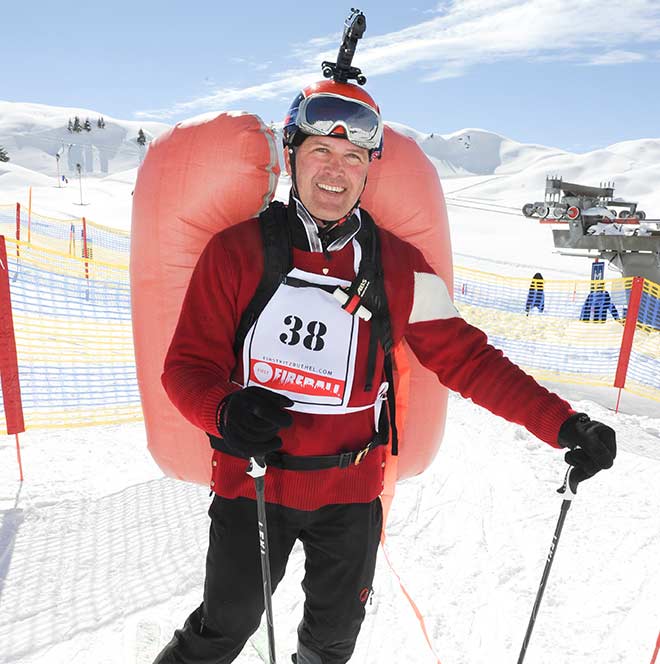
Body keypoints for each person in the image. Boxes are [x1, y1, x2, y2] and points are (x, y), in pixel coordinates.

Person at [153, 80, 616, 664]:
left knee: (330, 646)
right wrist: (224, 410)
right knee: (223, 629)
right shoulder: (235, 251)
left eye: (353, 157)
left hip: (351, 495)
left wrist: (563, 424)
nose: (335, 170)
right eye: (321, 150)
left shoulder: (399, 266)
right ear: (291, 154)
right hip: (254, 482)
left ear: (369, 169)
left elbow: (467, 359)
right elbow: (186, 368)